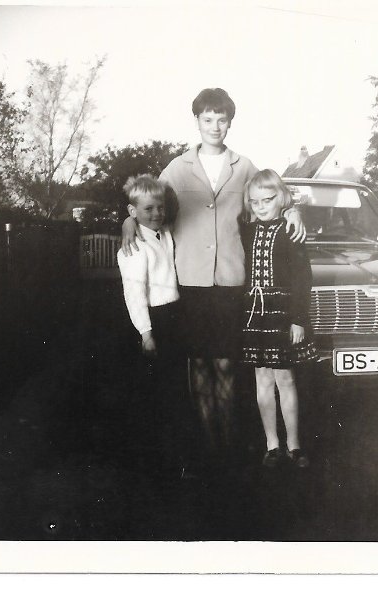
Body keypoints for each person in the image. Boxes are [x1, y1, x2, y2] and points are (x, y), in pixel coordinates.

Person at [120, 88, 306, 468]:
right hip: (189, 283)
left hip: (231, 282)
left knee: (225, 364)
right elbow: (148, 205)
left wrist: (293, 211)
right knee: (199, 366)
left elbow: (271, 195)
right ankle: (207, 448)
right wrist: (127, 221)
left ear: (230, 122)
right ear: (197, 122)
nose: (215, 127)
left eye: (222, 120)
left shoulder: (245, 166)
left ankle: (229, 445)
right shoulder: (176, 169)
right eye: (208, 119)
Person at [241, 169, 318, 468]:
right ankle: (271, 444)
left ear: (281, 198)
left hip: (283, 314)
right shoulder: (247, 230)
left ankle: (293, 445)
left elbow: (302, 278)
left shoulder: (290, 229)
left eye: (268, 200)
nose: (260, 207)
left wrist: (298, 318)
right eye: (254, 201)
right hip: (255, 314)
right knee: (262, 378)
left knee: (285, 378)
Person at [116, 174, 187, 473]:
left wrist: (130, 220)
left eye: (160, 207)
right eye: (148, 209)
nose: (157, 213)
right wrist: (146, 334)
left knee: (173, 388)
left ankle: (174, 455)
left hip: (173, 317)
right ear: (133, 212)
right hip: (152, 321)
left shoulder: (163, 233)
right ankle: (154, 460)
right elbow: (134, 294)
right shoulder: (133, 246)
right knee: (153, 391)